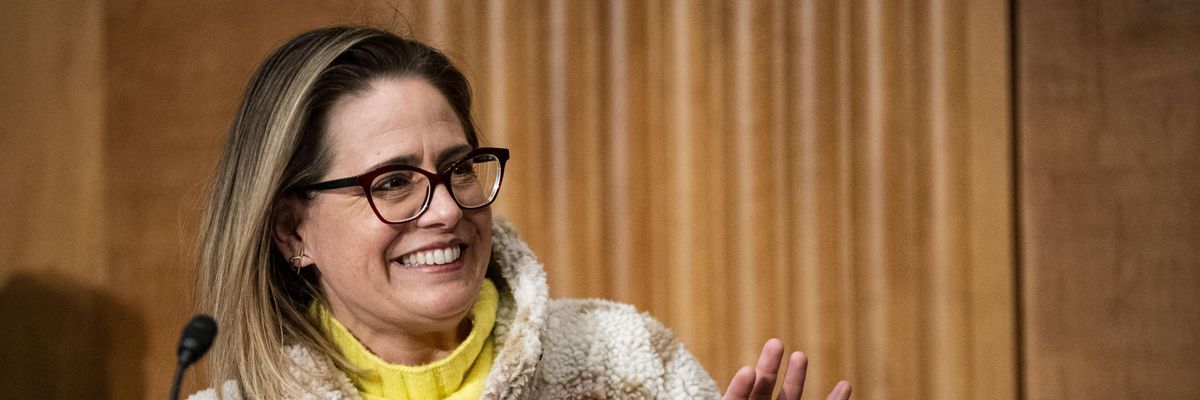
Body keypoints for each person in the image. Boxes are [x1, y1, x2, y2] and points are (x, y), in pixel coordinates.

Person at [189, 26, 851, 400]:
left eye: (459, 168)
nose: (445, 208)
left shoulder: (623, 362)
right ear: (290, 229)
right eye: (393, 182)